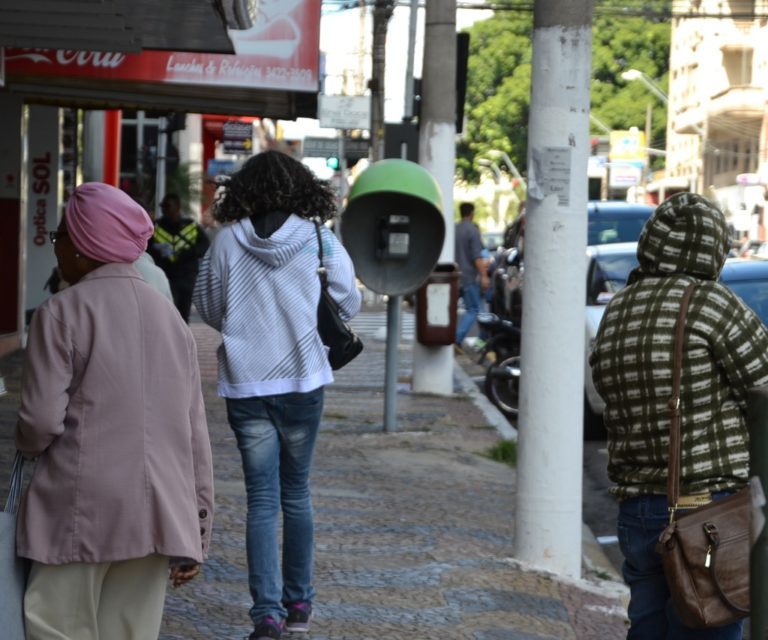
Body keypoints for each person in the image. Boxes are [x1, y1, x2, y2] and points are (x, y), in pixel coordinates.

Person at [16, 182, 214, 640]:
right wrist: (197, 525)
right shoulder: (172, 320)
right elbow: (194, 436)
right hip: (158, 513)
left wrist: (25, 442)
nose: (57, 248)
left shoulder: (60, 313)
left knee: (56, 628)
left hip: (77, 511)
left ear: (84, 245)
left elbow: (41, 422)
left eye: (60, 236)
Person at [192, 150, 361, 640]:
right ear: (300, 188)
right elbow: (349, 300)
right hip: (303, 381)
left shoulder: (225, 243)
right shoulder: (317, 239)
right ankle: (300, 606)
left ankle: (266, 614)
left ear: (242, 191)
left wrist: (246, 328)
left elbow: (208, 308)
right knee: (297, 493)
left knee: (261, 500)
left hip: (247, 382)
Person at [589, 192, 768, 640]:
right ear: (713, 246)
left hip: (636, 510)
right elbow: (764, 383)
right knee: (714, 624)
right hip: (705, 512)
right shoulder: (711, 302)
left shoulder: (618, 308)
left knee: (647, 626)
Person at [148, 192, 210, 322]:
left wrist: (187, 253)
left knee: (184, 313)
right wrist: (159, 254)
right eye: (162, 206)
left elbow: (205, 246)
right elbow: (148, 247)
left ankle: (183, 339)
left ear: (177, 207)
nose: (164, 209)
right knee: (169, 310)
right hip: (166, 275)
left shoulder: (191, 226)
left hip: (187, 276)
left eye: (167, 206)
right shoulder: (157, 226)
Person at [454, 201, 490, 350]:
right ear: (472, 214)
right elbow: (477, 257)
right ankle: (457, 338)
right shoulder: (472, 230)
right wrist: (484, 276)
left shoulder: (454, 229)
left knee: (451, 308)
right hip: (468, 276)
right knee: (473, 309)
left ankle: (481, 337)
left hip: (455, 275)